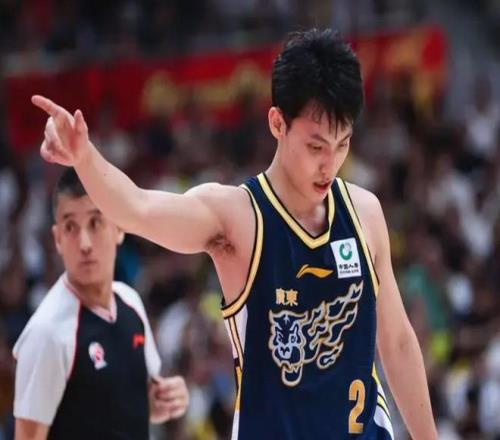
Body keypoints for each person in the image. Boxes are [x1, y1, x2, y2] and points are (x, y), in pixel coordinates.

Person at [32, 28, 437, 439]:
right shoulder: (237, 217)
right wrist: (84, 157)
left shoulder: (363, 212)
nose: (329, 164)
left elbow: (398, 342)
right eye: (316, 147)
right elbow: (138, 208)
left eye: (342, 144)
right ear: (277, 123)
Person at [12, 168, 189, 440]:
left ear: (119, 228)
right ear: (57, 239)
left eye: (95, 223)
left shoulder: (130, 302)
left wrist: (167, 400)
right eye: (71, 227)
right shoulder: (47, 333)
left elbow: (129, 405)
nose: (84, 243)